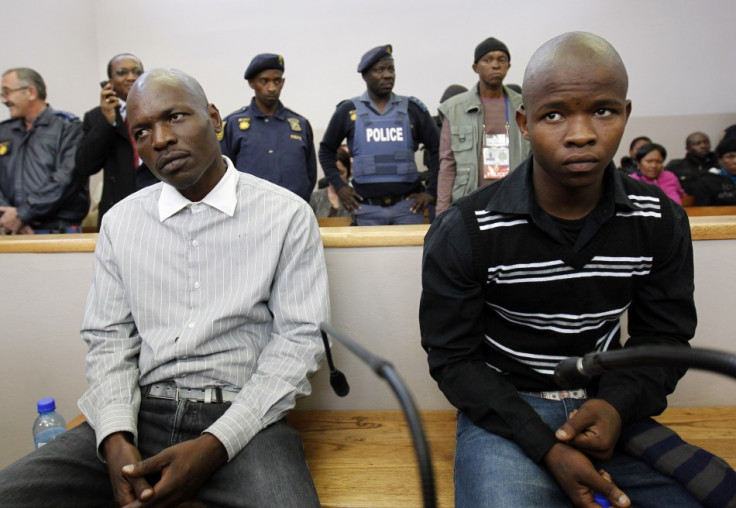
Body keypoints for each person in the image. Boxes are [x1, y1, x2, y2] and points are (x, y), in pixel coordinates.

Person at [0, 68, 328, 507]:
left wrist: (215, 444)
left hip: (244, 419)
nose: (159, 140)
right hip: (140, 410)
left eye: (174, 117)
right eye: (141, 131)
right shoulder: (121, 222)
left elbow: (300, 342)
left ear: (214, 118)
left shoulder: (286, 215)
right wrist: (115, 437)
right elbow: (108, 338)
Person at [420, 32, 709, 507]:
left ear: (626, 114)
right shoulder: (467, 228)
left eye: (603, 110)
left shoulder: (658, 219)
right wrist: (544, 446)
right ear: (524, 123)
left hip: (608, 398)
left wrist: (616, 406)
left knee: (707, 493)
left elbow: (665, 338)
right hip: (507, 409)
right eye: (554, 114)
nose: (581, 134)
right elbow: (454, 359)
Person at [319, 44, 440, 225]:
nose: (387, 75)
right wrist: (340, 186)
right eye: (380, 70)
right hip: (366, 210)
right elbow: (326, 151)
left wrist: (431, 192)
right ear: (365, 75)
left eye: (391, 69)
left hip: (407, 208)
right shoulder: (348, 110)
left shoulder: (413, 109)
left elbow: (440, 149)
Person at [436, 37, 529, 215]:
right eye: (488, 60)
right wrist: (441, 212)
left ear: (508, 66)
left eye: (502, 60)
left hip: (515, 199)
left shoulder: (524, 106)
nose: (495, 65)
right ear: (475, 68)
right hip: (470, 200)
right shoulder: (454, 109)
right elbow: (447, 164)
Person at [0, 67, 88, 234]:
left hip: (56, 229)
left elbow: (66, 178)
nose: (4, 100)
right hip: (11, 229)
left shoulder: (67, 126)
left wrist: (22, 214)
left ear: (31, 92)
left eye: (7, 92)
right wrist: (7, 216)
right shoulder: (3, 131)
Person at [220, 53, 316, 202]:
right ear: (251, 83)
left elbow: (310, 175)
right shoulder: (233, 124)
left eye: (277, 81)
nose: (271, 88)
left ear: (283, 83)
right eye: (264, 81)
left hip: (294, 210)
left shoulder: (300, 124)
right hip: (249, 210)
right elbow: (223, 173)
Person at [76, 53, 157, 228]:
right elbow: (86, 165)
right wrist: (108, 120)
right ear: (109, 82)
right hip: (118, 206)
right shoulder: (96, 116)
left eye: (137, 71)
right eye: (122, 72)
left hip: (157, 201)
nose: (131, 77)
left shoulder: (158, 109)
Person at [691, 136, 736, 206]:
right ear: (720, 160)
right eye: (730, 157)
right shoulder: (707, 181)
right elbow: (702, 210)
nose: (735, 161)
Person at [310, 145, 351, 218]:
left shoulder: (356, 197)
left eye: (341, 173)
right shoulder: (315, 198)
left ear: (348, 173)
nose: (336, 177)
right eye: (332, 172)